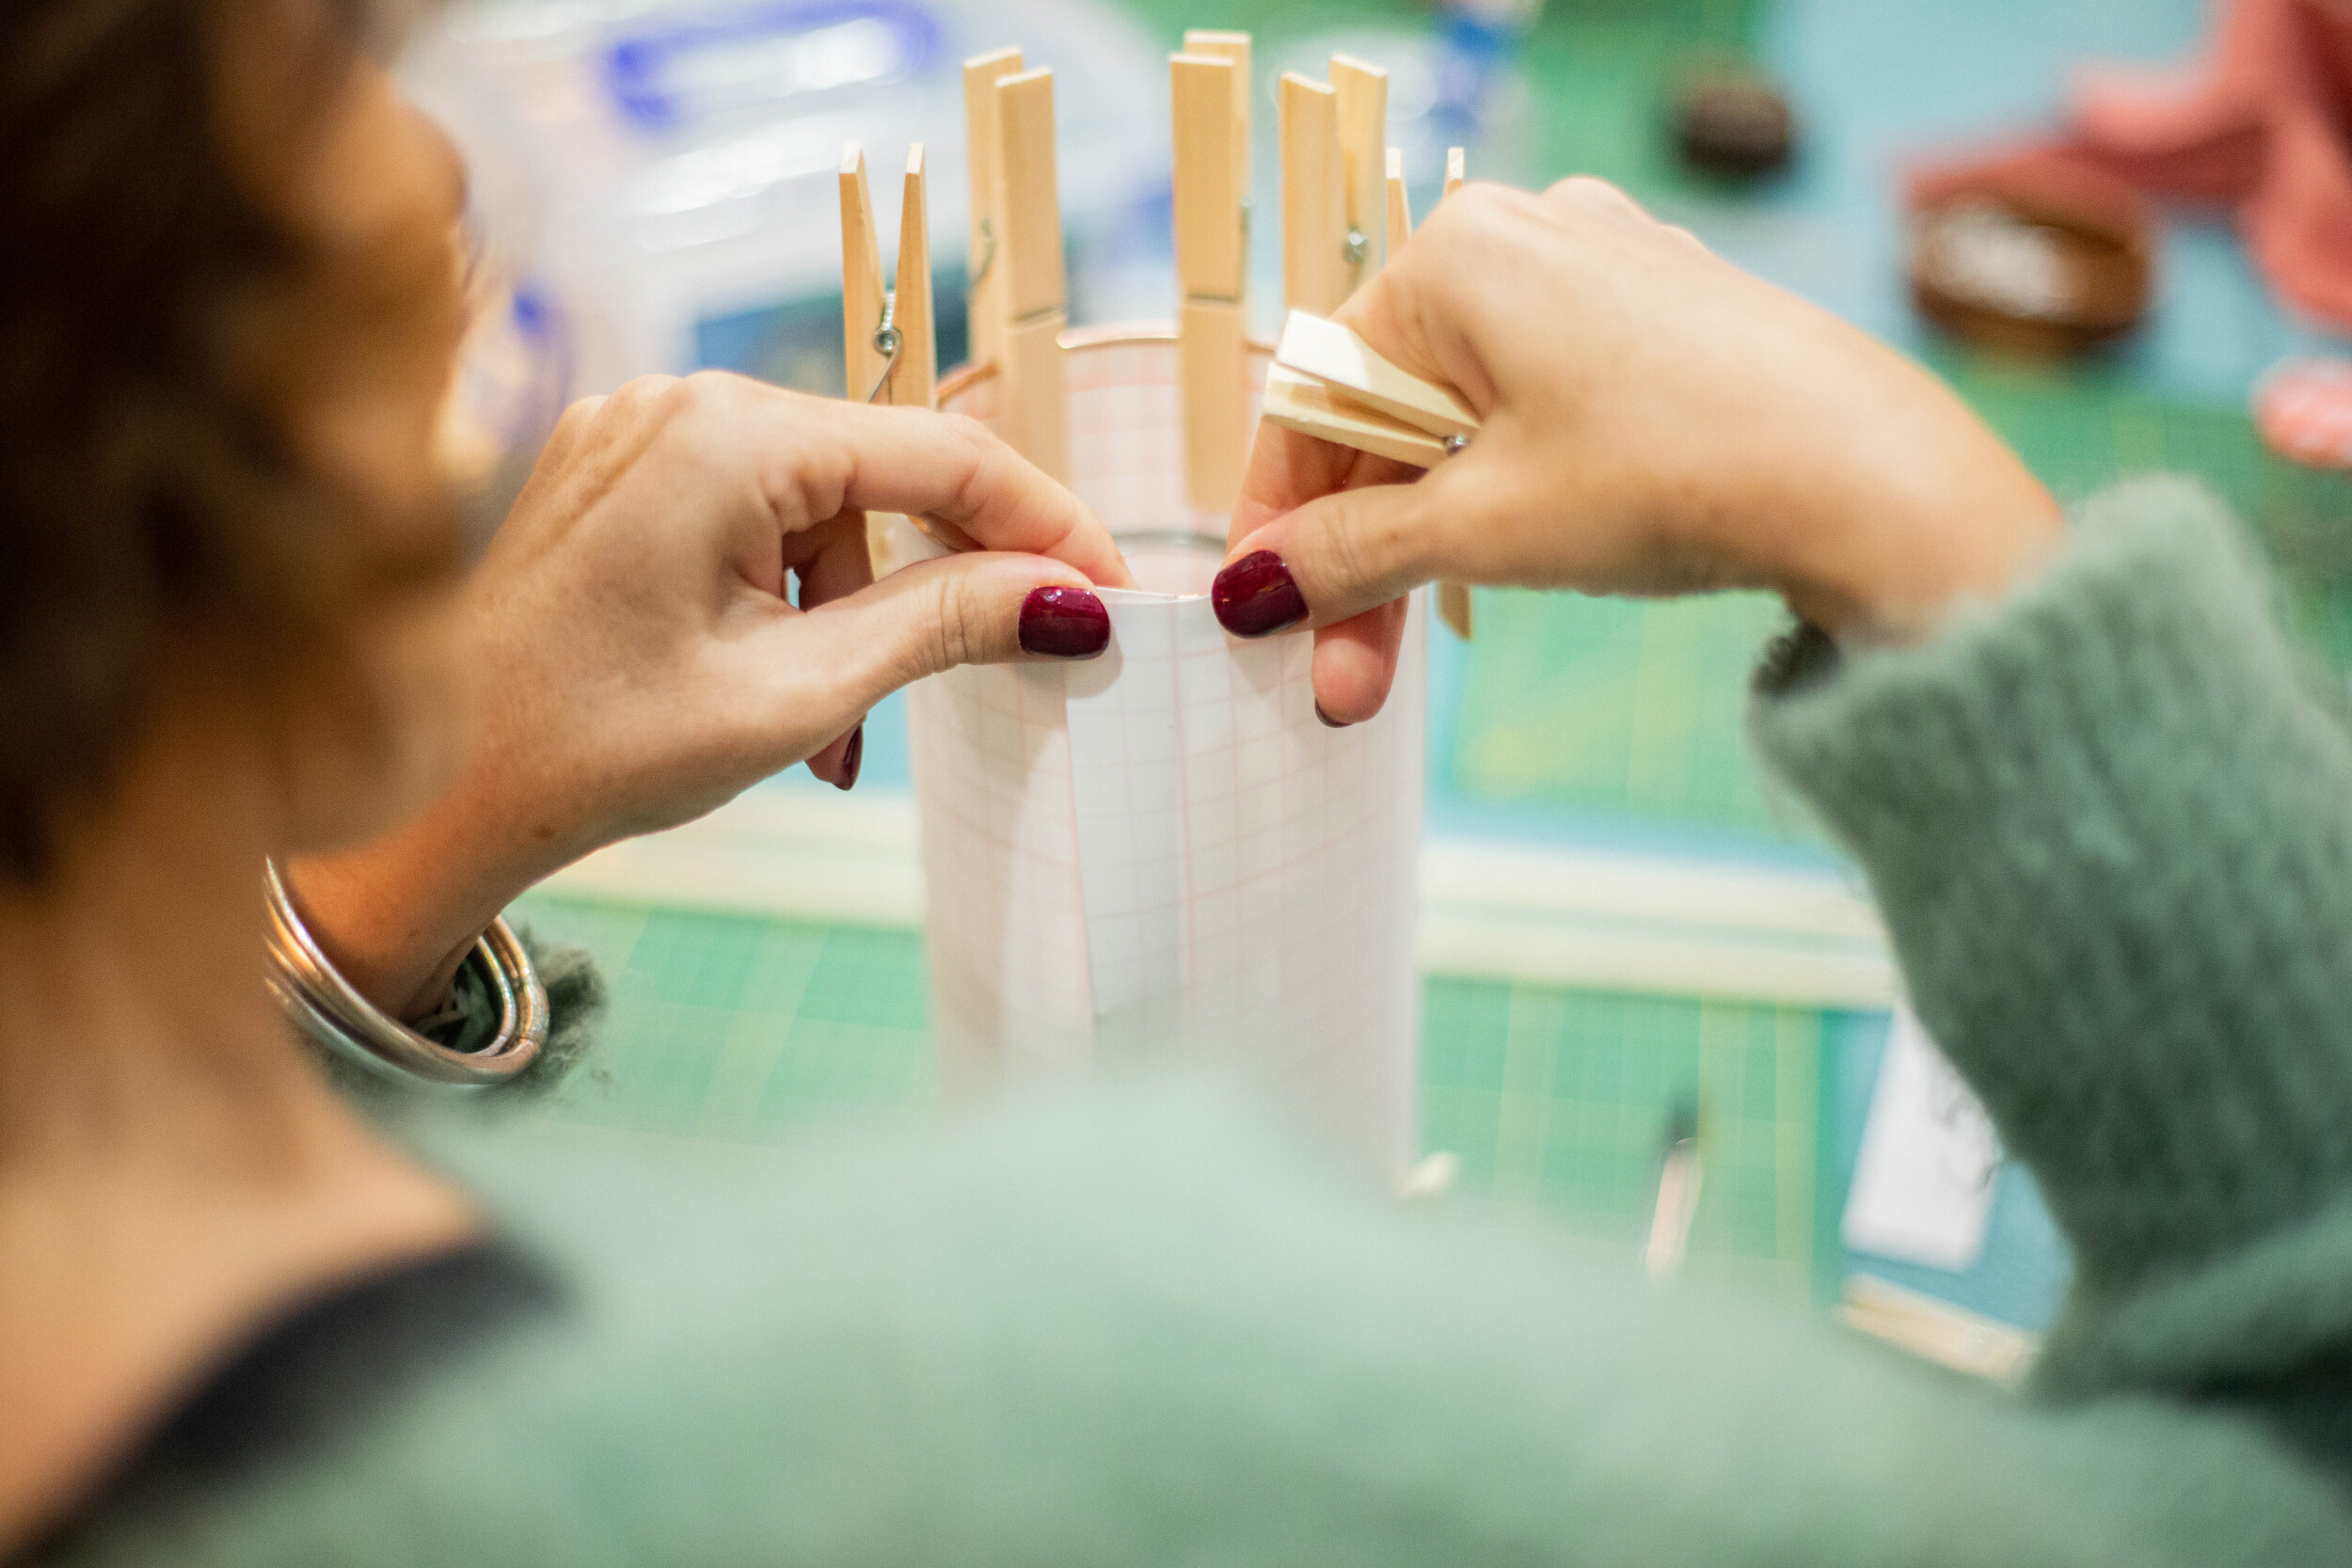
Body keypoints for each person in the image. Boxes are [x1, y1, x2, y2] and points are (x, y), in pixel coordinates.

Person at [6, 2, 2350, 1563]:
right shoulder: (1058, 1407)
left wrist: (356, 902)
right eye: (348, 67)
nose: (448, 166)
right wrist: (1924, 519)